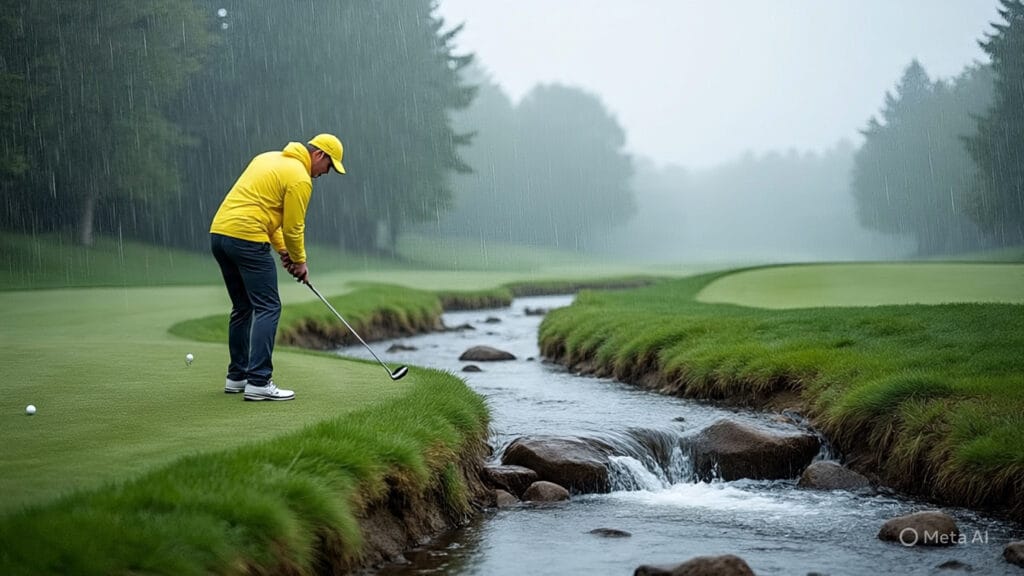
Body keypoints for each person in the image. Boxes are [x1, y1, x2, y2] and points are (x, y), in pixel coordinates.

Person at [209, 134, 346, 401]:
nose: (326, 173)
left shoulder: (267, 157)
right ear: (319, 155)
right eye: (329, 166)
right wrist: (300, 261)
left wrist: (284, 251)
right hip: (248, 238)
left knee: (243, 307)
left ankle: (237, 377)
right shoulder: (300, 178)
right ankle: (259, 381)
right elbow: (294, 227)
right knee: (268, 307)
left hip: (220, 235)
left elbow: (265, 214)